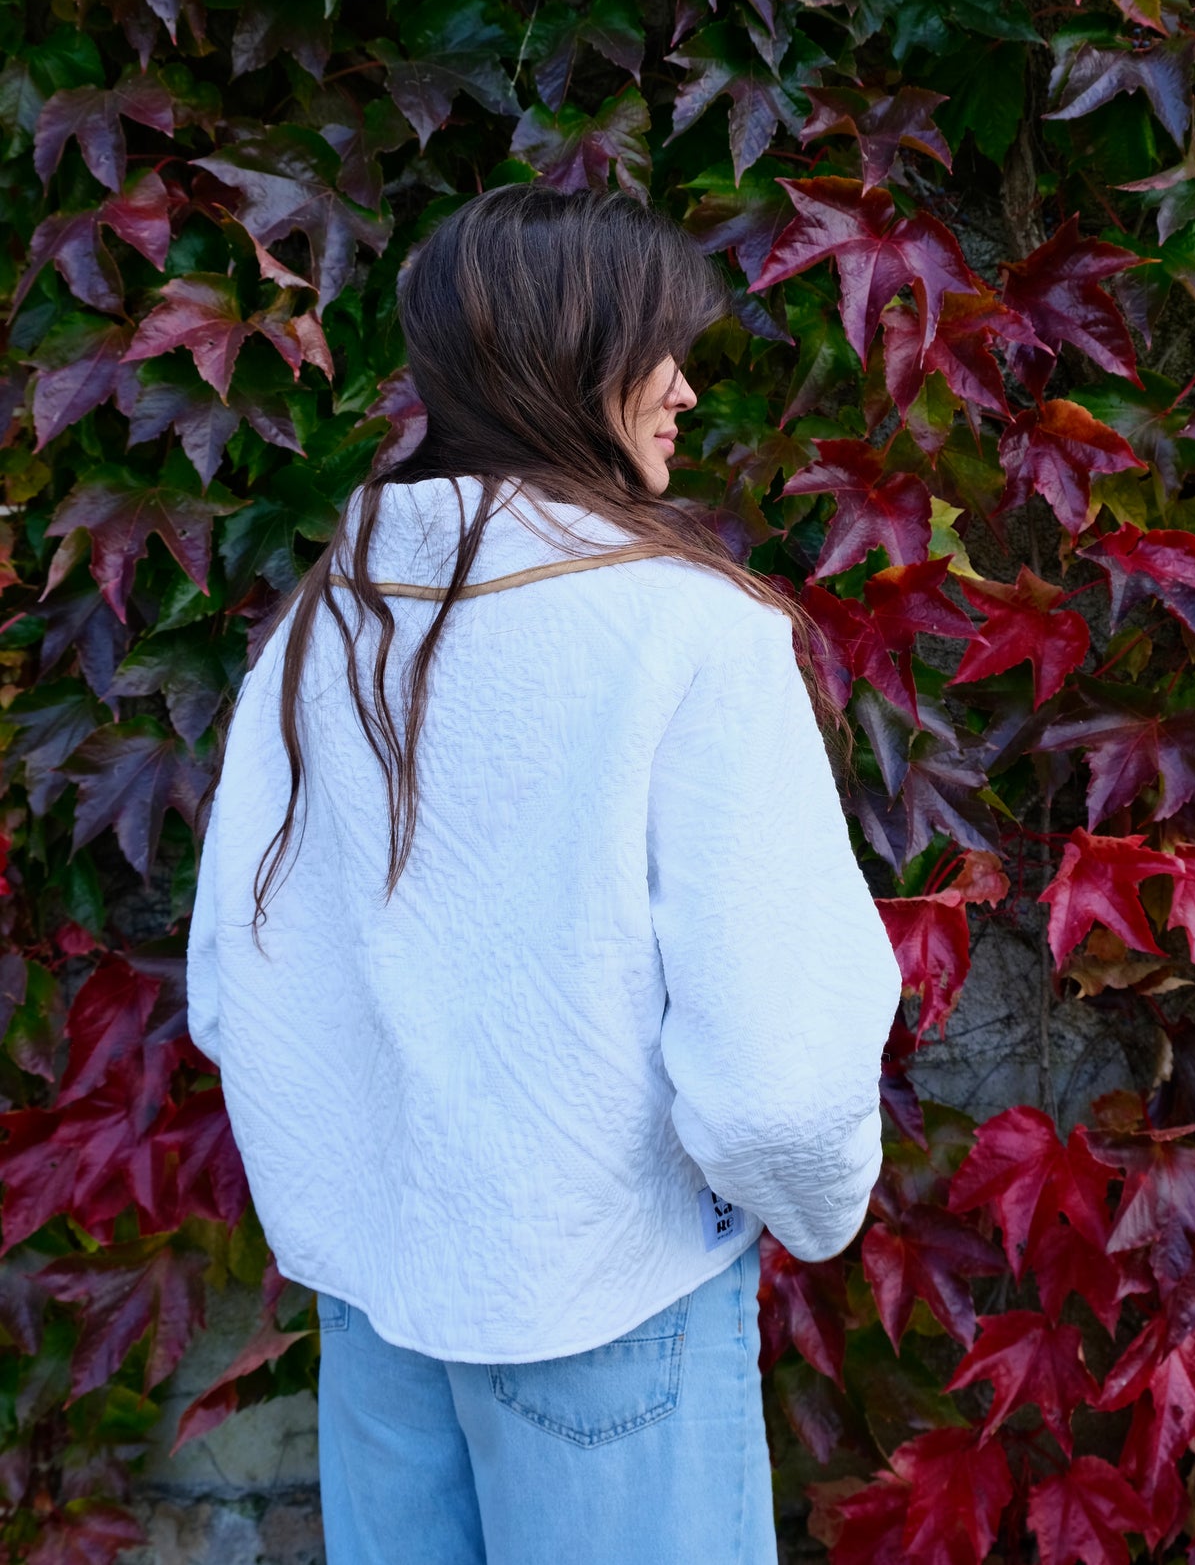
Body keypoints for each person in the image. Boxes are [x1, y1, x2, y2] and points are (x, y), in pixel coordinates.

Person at [186, 184, 902, 1565]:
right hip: (607, 1301)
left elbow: (236, 987)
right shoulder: (685, 636)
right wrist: (804, 1212)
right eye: (658, 351)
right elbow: (779, 1083)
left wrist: (359, 1198)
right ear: (569, 365)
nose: (685, 390)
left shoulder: (323, 625)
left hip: (379, 1310)